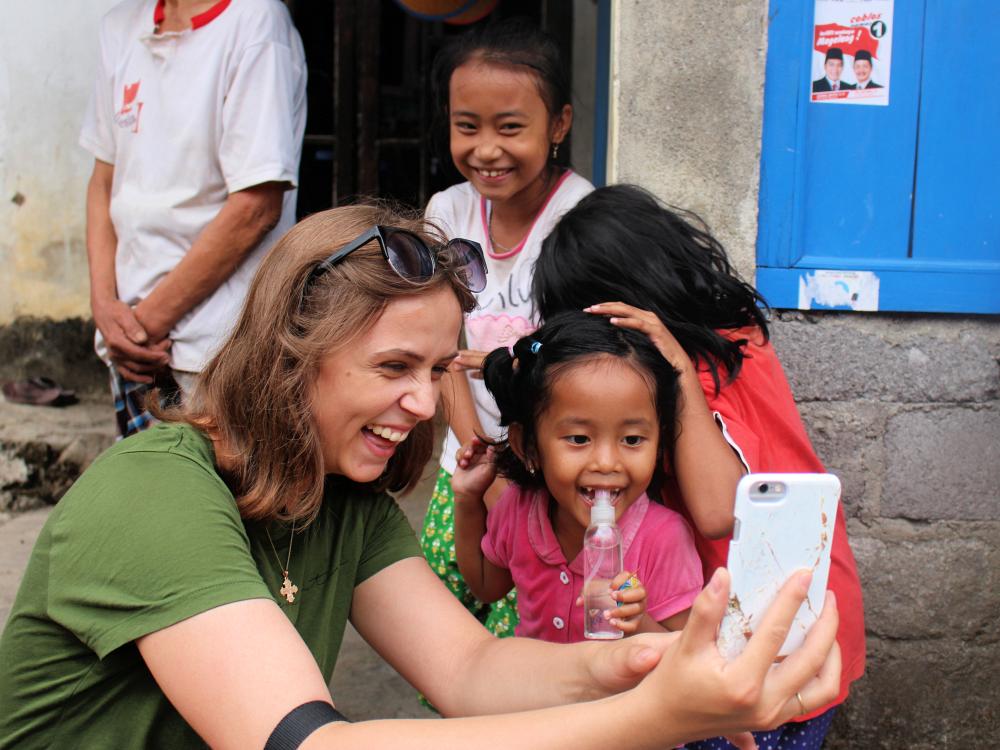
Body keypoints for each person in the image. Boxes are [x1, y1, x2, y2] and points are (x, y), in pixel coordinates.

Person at [0, 204, 842, 749]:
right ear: (291, 355)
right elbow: (308, 744)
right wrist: (652, 718)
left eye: (437, 367)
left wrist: (644, 666)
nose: (421, 400)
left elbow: (471, 669)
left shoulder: (344, 505)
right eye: (393, 365)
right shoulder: (156, 491)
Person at [534, 184, 866, 750]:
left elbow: (718, 512)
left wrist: (680, 374)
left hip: (770, 636)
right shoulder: (744, 338)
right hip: (807, 609)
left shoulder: (706, 374)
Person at [419, 18, 594, 636]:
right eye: (467, 126)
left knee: (531, 637)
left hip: (549, 481)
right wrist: (479, 460)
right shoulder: (447, 211)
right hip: (465, 467)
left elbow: (585, 366)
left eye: (510, 127)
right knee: (446, 627)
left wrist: (514, 475)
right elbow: (439, 350)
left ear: (560, 125)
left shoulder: (580, 219)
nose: (486, 149)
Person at [80, 0, 307, 437]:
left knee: (217, 498)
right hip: (131, 340)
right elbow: (103, 182)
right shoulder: (121, 27)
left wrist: (142, 326)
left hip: (216, 345)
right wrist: (105, 307)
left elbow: (256, 205)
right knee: (151, 497)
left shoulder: (255, 20)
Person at [451, 313, 703, 643]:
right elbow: (486, 586)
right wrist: (468, 500)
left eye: (632, 440)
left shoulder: (662, 538)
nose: (606, 463)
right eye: (579, 439)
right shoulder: (518, 508)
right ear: (527, 446)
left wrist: (638, 622)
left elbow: (685, 654)